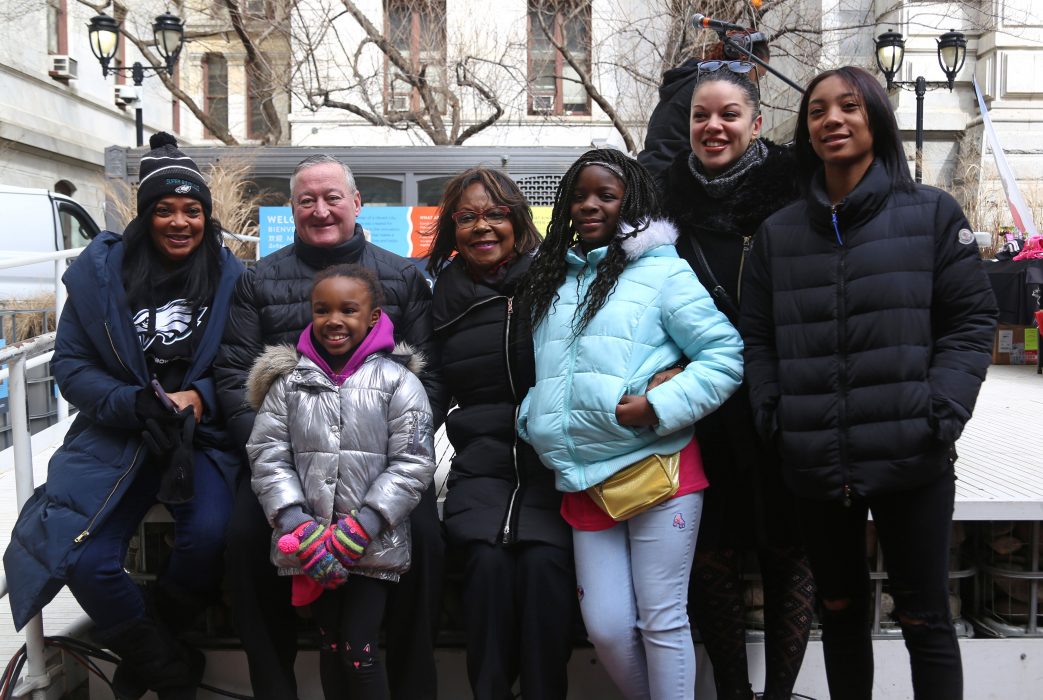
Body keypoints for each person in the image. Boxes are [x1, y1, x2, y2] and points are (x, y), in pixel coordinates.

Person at [740, 66, 998, 700]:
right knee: (839, 611)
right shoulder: (779, 234)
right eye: (818, 110)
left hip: (914, 453)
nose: (832, 119)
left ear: (875, 117)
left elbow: (971, 321)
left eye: (848, 106)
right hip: (813, 461)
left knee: (924, 618)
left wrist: (941, 412)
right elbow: (758, 339)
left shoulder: (932, 214)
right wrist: (776, 415)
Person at [5, 133, 245, 699]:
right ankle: (164, 664)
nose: (180, 221)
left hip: (199, 435)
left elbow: (246, 356)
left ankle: (149, 648)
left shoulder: (232, 276)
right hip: (118, 433)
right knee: (83, 558)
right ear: (146, 215)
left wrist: (201, 395)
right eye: (165, 209)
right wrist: (131, 402)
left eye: (192, 210)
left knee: (210, 535)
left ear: (207, 217)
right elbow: (71, 365)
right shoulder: (100, 275)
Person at [215, 154, 445, 700]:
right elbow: (231, 376)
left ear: (357, 203)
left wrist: (382, 462)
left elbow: (428, 382)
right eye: (306, 200)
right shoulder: (258, 280)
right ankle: (276, 687)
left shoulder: (404, 276)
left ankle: (414, 686)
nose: (320, 210)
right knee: (246, 538)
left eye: (332, 197)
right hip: (289, 468)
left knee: (429, 543)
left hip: (379, 462)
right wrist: (289, 474)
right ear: (292, 208)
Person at [517, 148, 744, 700]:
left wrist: (656, 408)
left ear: (632, 204)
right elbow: (551, 370)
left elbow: (725, 356)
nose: (589, 205)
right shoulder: (555, 277)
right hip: (583, 478)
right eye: (579, 195)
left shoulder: (663, 270)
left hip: (659, 471)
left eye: (606, 195)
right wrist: (535, 418)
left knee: (661, 621)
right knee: (608, 629)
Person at [659, 64, 815, 700]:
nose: (713, 127)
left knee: (787, 550)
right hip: (702, 404)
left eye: (728, 115)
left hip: (782, 392)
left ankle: (778, 693)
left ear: (756, 123)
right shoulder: (664, 201)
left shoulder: (797, 192)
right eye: (701, 116)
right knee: (711, 553)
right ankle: (729, 691)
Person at [246, 264, 436, 700]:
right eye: (322, 310)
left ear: (372, 317)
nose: (334, 320)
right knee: (329, 645)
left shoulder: (399, 381)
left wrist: (362, 526)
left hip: (372, 547)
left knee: (359, 648)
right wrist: (297, 524)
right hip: (312, 547)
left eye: (349, 310)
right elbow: (267, 455)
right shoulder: (289, 384)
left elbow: (413, 462)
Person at [427, 168, 575, 699]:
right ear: (452, 228)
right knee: (485, 568)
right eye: (467, 217)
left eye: (494, 214)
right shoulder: (441, 298)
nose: (482, 227)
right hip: (482, 470)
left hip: (555, 470)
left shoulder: (557, 281)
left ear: (517, 221)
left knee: (543, 568)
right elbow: (427, 392)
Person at [638, 29, 770, 182]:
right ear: (741, 59)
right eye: (758, 75)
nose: (713, 126)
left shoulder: (694, 83)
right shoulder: (702, 88)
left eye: (728, 115)